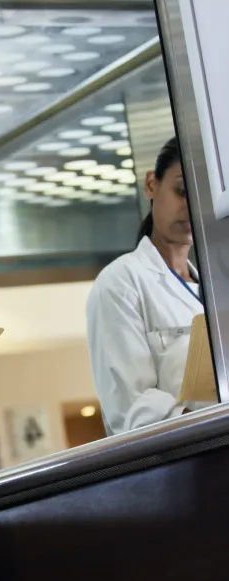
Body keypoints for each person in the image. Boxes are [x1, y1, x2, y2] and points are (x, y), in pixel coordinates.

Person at [86, 137, 206, 435]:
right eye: (181, 191)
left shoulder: (214, 286)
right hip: (188, 461)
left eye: (203, 196)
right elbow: (131, 409)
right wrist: (209, 421)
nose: (192, 208)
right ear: (152, 184)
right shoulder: (121, 283)